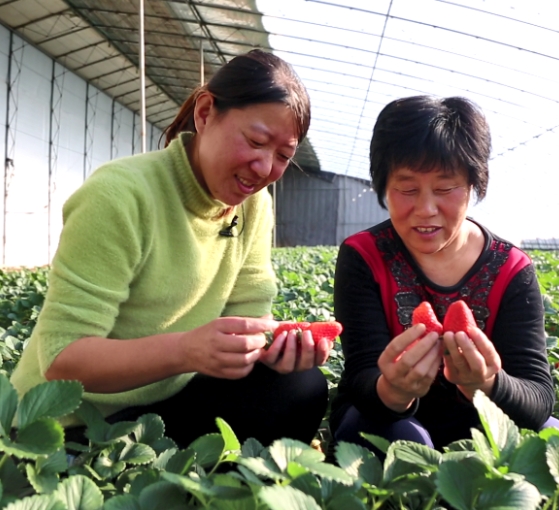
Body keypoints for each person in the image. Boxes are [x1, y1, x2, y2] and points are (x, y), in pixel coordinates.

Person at [10, 50, 330, 448]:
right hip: (70, 417)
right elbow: (63, 360)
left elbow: (250, 317)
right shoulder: (119, 195)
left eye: (283, 156)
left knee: (299, 387)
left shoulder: (253, 206)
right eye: (256, 141)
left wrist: (276, 350)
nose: (265, 168)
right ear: (205, 112)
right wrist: (186, 350)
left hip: (164, 402)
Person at [330, 95, 556, 451]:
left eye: (445, 188)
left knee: (558, 439)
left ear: (473, 185)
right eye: (407, 188)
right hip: (380, 417)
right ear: (383, 185)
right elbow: (361, 376)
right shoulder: (365, 256)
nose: (425, 209)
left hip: (479, 422)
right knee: (406, 442)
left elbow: (538, 397)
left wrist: (487, 383)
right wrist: (393, 389)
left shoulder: (511, 269)